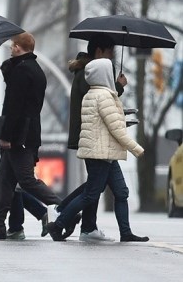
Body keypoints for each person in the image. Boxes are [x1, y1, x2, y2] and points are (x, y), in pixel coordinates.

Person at [47, 58, 148, 242]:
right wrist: (137, 149)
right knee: (91, 194)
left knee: (121, 192)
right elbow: (115, 128)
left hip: (103, 151)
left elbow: (103, 124)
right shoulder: (104, 96)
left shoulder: (92, 94)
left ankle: (126, 233)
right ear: (105, 74)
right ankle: (58, 225)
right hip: (101, 153)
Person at [0, 32, 62, 240]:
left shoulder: (23, 71)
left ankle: (64, 208)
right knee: (5, 180)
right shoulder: (33, 70)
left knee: (25, 180)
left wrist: (6, 136)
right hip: (27, 133)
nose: (10, 48)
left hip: (19, 136)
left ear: (18, 47)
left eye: (12, 46)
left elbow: (14, 106)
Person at [59, 37, 128, 241]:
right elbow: (101, 102)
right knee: (93, 188)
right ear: (99, 51)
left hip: (96, 138)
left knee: (101, 187)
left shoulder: (86, 71)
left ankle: (89, 227)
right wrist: (119, 87)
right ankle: (62, 218)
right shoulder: (91, 74)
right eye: (109, 53)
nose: (112, 58)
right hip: (95, 140)